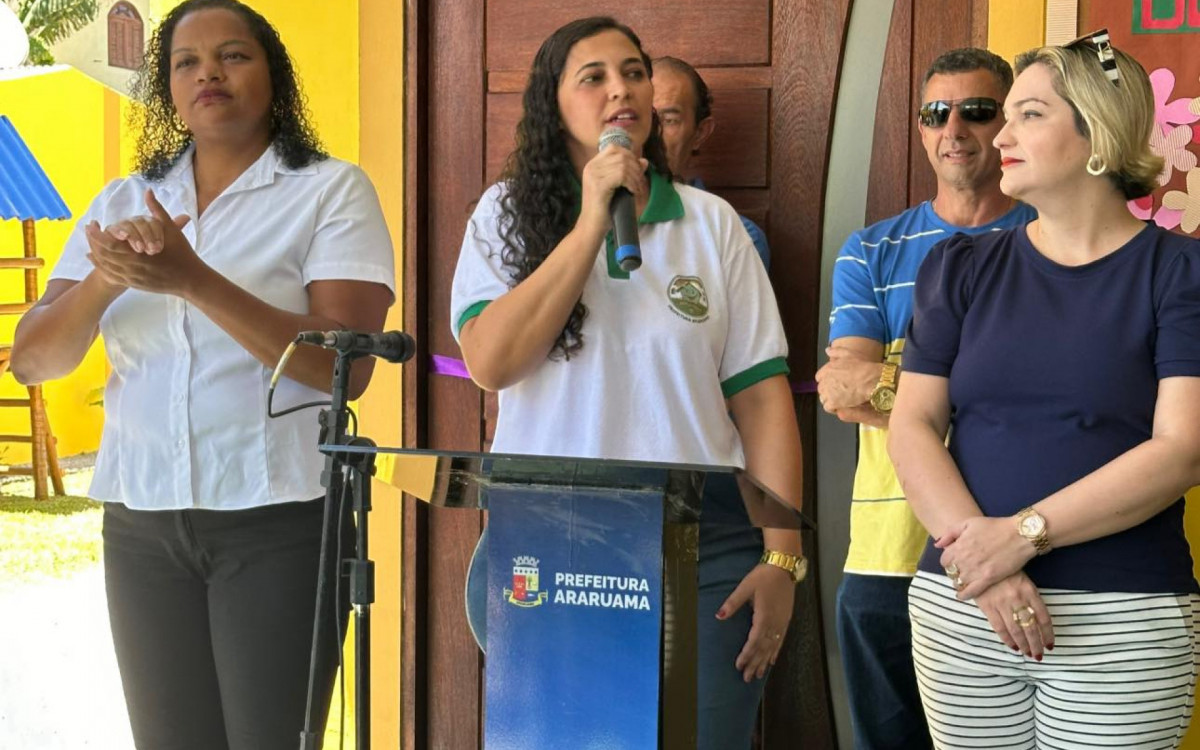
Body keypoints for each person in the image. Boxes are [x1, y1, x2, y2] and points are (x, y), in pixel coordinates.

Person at [9, 1, 395, 748]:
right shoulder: (122, 201)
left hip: (279, 521)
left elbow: (338, 365)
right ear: (167, 90)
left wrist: (192, 279)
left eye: (232, 56)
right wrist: (105, 279)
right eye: (185, 62)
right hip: (142, 523)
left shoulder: (329, 191)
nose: (208, 73)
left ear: (273, 78)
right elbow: (33, 358)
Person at [450, 17, 805, 749]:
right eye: (595, 77)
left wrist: (782, 558)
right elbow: (491, 362)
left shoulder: (715, 228)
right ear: (553, 104)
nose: (623, 90)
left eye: (635, 72)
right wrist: (586, 226)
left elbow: (763, 403)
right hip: (551, 547)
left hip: (701, 546)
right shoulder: (503, 215)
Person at [888, 31, 1200, 748]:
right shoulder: (957, 266)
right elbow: (912, 427)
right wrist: (985, 564)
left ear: (1097, 133)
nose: (1001, 135)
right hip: (963, 604)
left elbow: (1183, 450)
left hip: (1121, 618)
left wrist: (1021, 538)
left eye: (1029, 114)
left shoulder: (1180, 273)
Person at [815, 48, 1033, 750]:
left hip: (1017, 551)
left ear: (1007, 126)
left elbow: (1050, 401)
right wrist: (977, 400)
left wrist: (898, 389)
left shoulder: (1049, 242)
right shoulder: (871, 250)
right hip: (885, 553)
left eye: (977, 110)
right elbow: (842, 391)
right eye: (937, 112)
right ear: (919, 127)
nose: (956, 128)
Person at [652, 56, 770, 269]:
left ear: (700, 133)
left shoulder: (735, 235)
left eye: (669, 121)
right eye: (642, 117)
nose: (652, 133)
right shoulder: (594, 219)